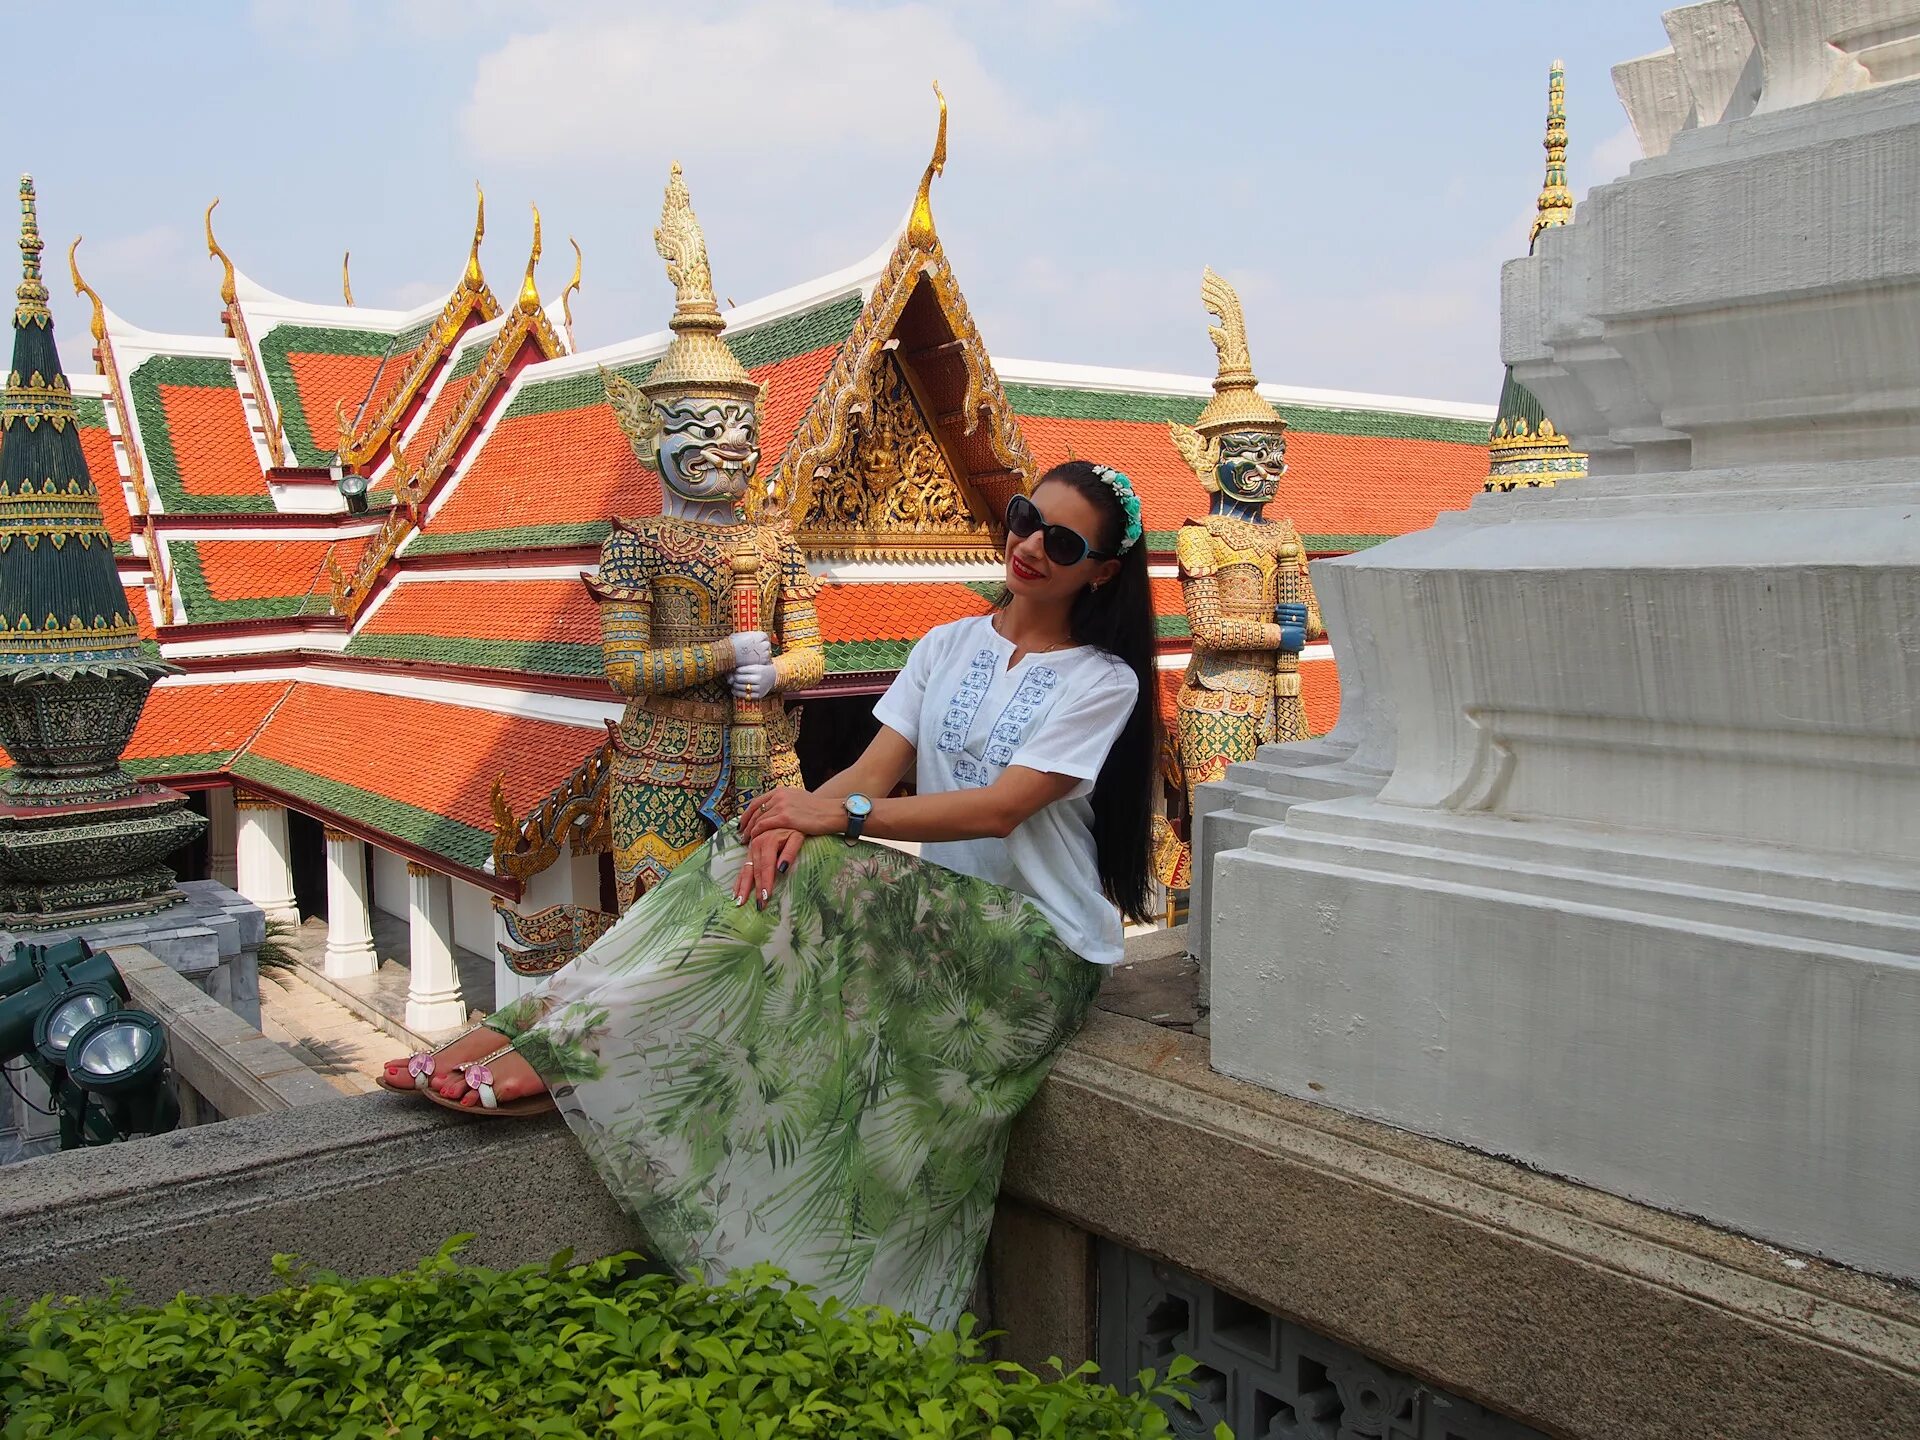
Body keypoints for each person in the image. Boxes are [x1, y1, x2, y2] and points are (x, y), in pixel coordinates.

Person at [380, 459, 1160, 1330]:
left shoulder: (1103, 680)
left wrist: (840, 819)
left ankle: (563, 1048)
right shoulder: (947, 645)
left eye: (1062, 541)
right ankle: (533, 1025)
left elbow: (1002, 808)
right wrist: (798, 817)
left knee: (821, 863)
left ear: (1100, 570)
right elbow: (869, 769)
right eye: (1024, 519)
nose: (1029, 547)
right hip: (934, 922)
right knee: (758, 848)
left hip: (1032, 954)